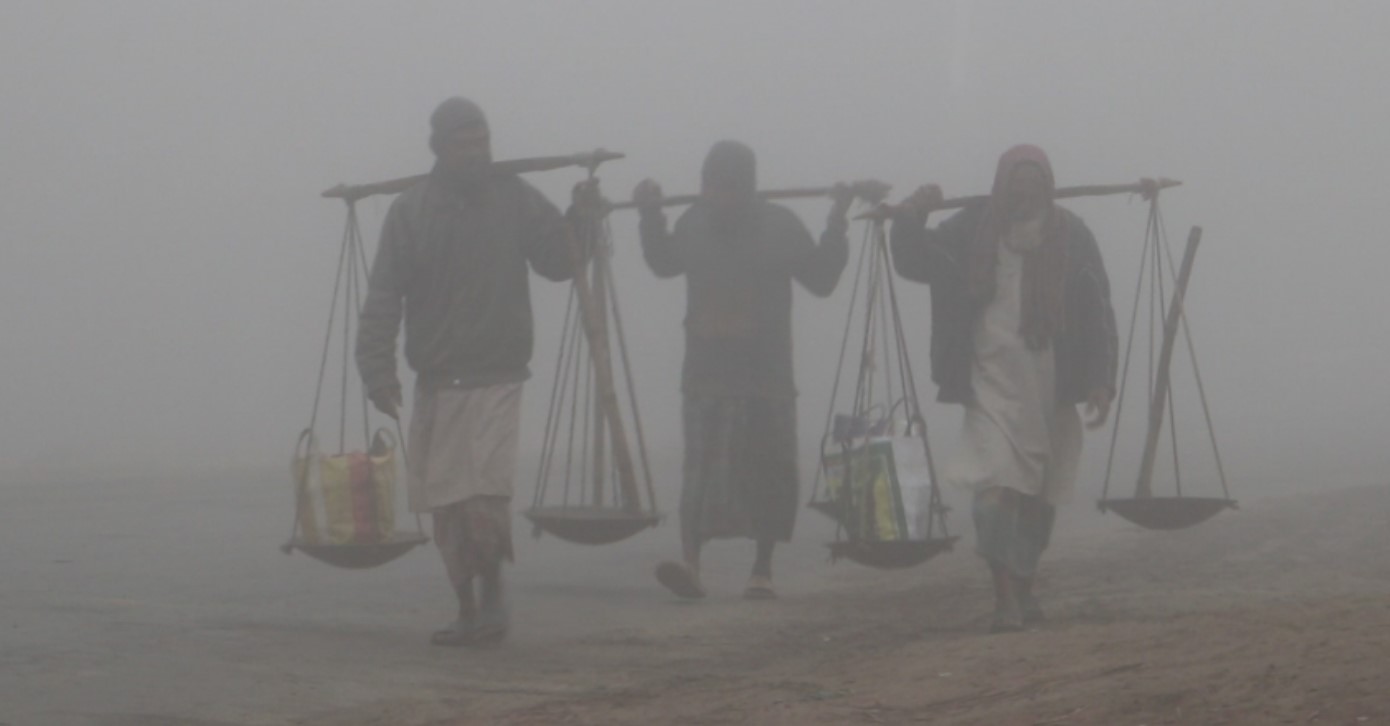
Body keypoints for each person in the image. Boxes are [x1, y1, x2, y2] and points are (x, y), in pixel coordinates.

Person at [356, 97, 597, 646]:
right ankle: (467, 607)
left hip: (497, 373)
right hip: (439, 378)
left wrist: (580, 218)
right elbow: (384, 295)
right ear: (439, 150)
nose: (476, 153)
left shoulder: (514, 199)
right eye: (464, 145)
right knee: (446, 504)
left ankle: (493, 596)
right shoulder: (412, 211)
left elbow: (559, 263)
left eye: (483, 142)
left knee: (483, 495)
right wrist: (376, 369)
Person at [888, 144, 1118, 632]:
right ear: (1001, 188)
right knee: (995, 494)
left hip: (1052, 387)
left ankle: (1025, 586)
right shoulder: (971, 229)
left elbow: (1097, 307)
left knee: (1037, 500)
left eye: (1034, 188)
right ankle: (1003, 599)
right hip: (988, 382)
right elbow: (914, 262)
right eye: (1016, 187)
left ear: (1047, 191)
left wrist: (1100, 379)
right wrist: (911, 217)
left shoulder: (1071, 235)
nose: (1024, 198)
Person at [634, 140, 853, 600]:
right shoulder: (694, 222)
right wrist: (650, 217)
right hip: (707, 371)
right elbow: (663, 263)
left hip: (766, 372)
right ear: (703, 186)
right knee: (700, 474)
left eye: (731, 187)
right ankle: (692, 564)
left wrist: (837, 222)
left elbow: (821, 279)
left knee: (768, 470)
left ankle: (762, 569)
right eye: (712, 186)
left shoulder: (779, 226)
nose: (721, 196)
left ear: (750, 188)